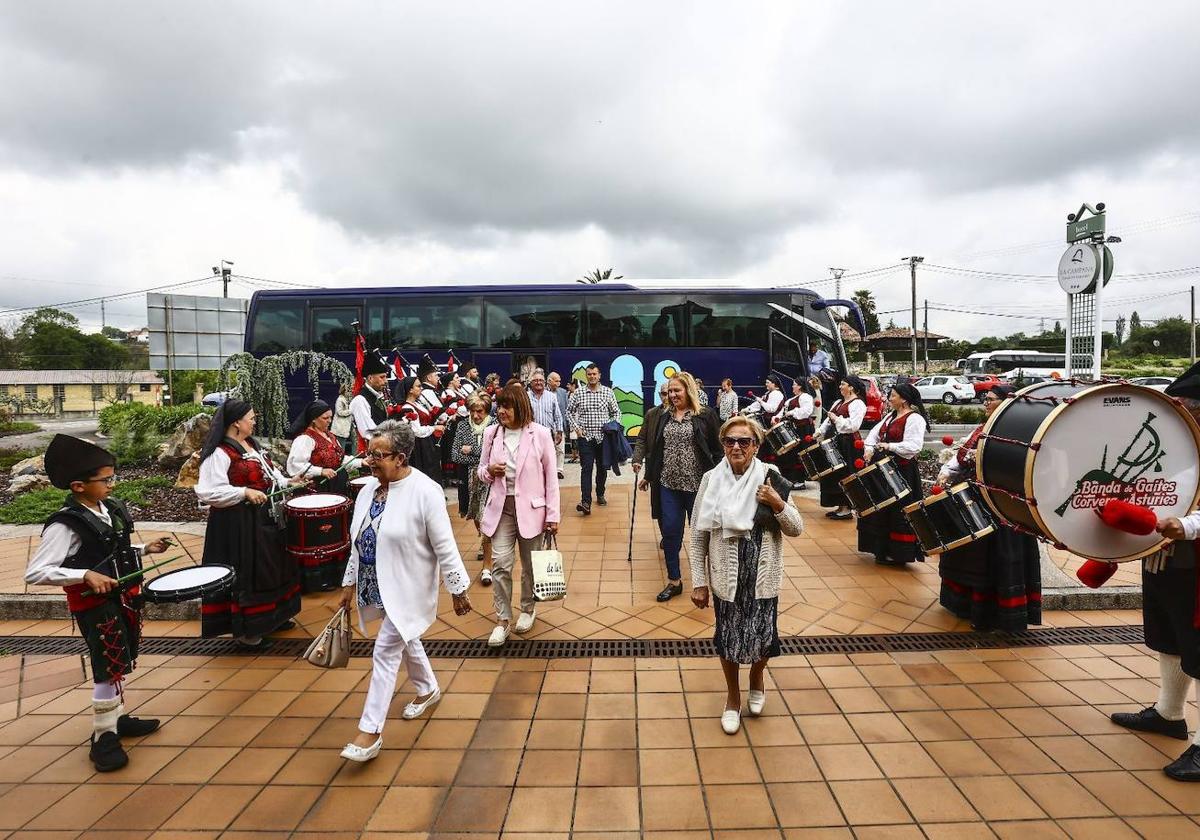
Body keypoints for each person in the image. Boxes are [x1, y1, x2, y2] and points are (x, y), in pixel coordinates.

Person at [26, 434, 170, 772]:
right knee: (107, 666)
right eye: (105, 480)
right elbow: (37, 572)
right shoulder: (65, 524)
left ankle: (117, 718)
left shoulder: (112, 508)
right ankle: (103, 737)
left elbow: (112, 552)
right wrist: (84, 576)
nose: (112, 484)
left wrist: (144, 549)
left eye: (112, 477)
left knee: (120, 659)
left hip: (123, 597)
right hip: (94, 605)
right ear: (78, 486)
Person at [338, 421, 472, 763]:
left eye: (378, 455)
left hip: (408, 586)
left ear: (400, 458)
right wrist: (348, 584)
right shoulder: (368, 489)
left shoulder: (425, 491)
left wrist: (458, 588)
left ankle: (370, 732)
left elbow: (445, 544)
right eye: (369, 453)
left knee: (384, 650)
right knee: (406, 638)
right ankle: (427, 689)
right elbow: (358, 540)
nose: (370, 460)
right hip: (376, 583)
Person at [1109, 363, 1200, 781]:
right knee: (1172, 633)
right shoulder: (1183, 443)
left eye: (1186, 407)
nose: (1179, 413)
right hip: (1170, 554)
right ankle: (1169, 714)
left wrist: (1189, 525)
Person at [690, 416, 803, 735]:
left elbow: (796, 529)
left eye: (744, 441)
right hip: (725, 575)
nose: (736, 447)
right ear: (722, 445)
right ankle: (732, 697)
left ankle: (756, 677)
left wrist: (777, 502)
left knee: (764, 637)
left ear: (756, 445)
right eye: (729, 441)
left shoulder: (772, 477)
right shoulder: (711, 479)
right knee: (727, 638)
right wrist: (699, 580)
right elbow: (698, 534)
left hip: (762, 574)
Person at [196, 400, 306, 648]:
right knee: (248, 573)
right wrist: (243, 492)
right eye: (251, 418)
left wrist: (289, 481)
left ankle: (274, 617)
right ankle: (247, 629)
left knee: (271, 567)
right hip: (238, 526)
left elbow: (270, 474)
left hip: (264, 519)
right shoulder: (219, 453)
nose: (254, 421)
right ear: (236, 422)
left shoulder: (252, 445)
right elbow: (208, 492)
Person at [936, 384, 1041, 631]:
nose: (985, 402)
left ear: (1005, 403)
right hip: (976, 500)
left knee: (993, 558)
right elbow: (961, 457)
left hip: (1001, 506)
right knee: (969, 554)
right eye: (985, 398)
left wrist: (977, 457)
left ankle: (991, 614)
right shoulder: (982, 428)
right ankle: (964, 605)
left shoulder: (1015, 430)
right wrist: (947, 472)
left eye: (990, 399)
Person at [477, 384, 560, 646]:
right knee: (501, 563)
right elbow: (480, 472)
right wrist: (490, 470)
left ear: (520, 407)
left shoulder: (541, 434)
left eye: (507, 406)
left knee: (530, 567)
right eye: (499, 406)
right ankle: (502, 619)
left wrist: (553, 515)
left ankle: (527, 609)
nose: (501, 411)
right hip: (501, 509)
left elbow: (551, 478)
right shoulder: (491, 434)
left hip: (533, 510)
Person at [634, 373, 720, 602]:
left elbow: (717, 450)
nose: (672, 395)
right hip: (668, 485)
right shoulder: (663, 416)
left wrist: (722, 479)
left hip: (698, 487)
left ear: (688, 390)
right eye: (670, 391)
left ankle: (710, 581)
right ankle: (674, 580)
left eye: (676, 391)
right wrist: (649, 475)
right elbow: (657, 450)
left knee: (703, 534)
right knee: (670, 533)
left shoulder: (705, 415)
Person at [858, 384, 929, 566]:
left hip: (903, 472)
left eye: (893, 396)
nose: (889, 399)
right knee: (883, 509)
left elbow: (914, 447)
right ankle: (882, 549)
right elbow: (873, 435)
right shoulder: (890, 416)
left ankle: (899, 553)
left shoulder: (915, 419)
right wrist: (868, 448)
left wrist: (890, 446)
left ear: (904, 399)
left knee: (899, 511)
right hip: (884, 470)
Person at [453, 394, 496, 584]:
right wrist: (479, 457)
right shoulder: (463, 425)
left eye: (479, 411)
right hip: (469, 477)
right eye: (472, 411)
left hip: (491, 477)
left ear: (486, 410)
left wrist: (471, 450)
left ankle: (488, 562)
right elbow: (455, 454)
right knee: (475, 514)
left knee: (486, 514)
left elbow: (495, 454)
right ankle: (483, 537)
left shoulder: (495, 425)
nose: (476, 415)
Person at [567, 363, 621, 515]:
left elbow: (616, 412)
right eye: (589, 374)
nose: (592, 376)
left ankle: (600, 493)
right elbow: (569, 412)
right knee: (586, 469)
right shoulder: (578, 393)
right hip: (585, 438)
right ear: (586, 376)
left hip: (604, 437)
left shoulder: (608, 392)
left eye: (594, 374)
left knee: (602, 468)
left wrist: (613, 426)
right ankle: (586, 502)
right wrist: (576, 428)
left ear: (599, 375)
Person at [816, 376, 867, 520]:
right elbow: (828, 419)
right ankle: (839, 505)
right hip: (836, 441)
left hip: (848, 443)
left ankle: (846, 508)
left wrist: (837, 419)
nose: (840, 386)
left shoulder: (858, 404)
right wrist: (819, 431)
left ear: (851, 387)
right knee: (834, 473)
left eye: (843, 384)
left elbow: (854, 425)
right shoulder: (838, 402)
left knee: (845, 473)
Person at [394, 375, 443, 483]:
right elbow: (416, 431)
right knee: (425, 472)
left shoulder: (417, 404)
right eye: (418, 386)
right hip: (420, 446)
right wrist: (434, 428)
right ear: (410, 390)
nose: (421, 388)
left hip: (427, 442)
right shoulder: (408, 408)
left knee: (432, 469)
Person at [775, 378, 816, 488]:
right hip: (795, 429)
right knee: (790, 453)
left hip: (804, 429)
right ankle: (791, 479)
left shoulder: (806, 397)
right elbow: (783, 411)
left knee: (801, 453)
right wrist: (777, 417)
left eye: (794, 385)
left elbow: (806, 411)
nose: (792, 386)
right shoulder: (792, 399)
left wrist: (792, 413)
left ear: (800, 386)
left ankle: (800, 481)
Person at [349, 349, 392, 454]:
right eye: (382, 377)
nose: (385, 381)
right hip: (369, 452)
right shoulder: (360, 400)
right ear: (370, 378)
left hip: (382, 447)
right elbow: (368, 432)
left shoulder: (378, 397)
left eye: (386, 377)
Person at [527, 370, 564, 476]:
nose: (538, 382)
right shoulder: (526, 396)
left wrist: (559, 432)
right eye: (535, 380)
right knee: (533, 463)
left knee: (548, 463)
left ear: (544, 383)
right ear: (531, 383)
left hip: (548, 436)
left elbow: (557, 415)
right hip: (531, 435)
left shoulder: (551, 396)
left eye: (541, 380)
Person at [548, 371, 570, 478]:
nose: (559, 383)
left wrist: (566, 425)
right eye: (556, 381)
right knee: (549, 448)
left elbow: (566, 409)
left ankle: (559, 470)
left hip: (559, 426)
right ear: (549, 381)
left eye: (559, 381)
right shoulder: (543, 392)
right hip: (547, 426)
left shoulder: (563, 392)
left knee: (560, 449)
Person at [332, 383, 355, 454]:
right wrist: (351, 411)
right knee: (341, 444)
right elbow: (340, 412)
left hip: (348, 425)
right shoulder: (340, 400)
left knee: (355, 441)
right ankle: (340, 460)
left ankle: (354, 457)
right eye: (349, 391)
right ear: (344, 391)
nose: (350, 392)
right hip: (341, 426)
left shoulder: (346, 399)